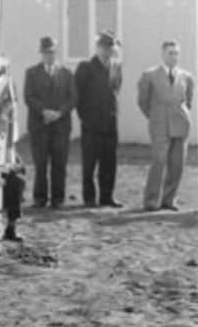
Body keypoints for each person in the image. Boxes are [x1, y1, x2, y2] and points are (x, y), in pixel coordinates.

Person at [137, 40, 194, 211]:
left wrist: (182, 113)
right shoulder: (150, 75)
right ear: (162, 54)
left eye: (176, 53)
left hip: (180, 124)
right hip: (159, 123)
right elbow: (143, 101)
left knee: (177, 164)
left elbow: (188, 100)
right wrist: (155, 116)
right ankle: (151, 200)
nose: (174, 57)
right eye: (170, 53)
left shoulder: (186, 76)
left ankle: (169, 199)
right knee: (159, 162)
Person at [23, 36, 76, 209]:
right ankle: (40, 197)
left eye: (52, 52)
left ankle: (58, 198)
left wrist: (59, 113)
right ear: (41, 54)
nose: (49, 56)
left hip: (60, 125)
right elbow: (28, 97)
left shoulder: (66, 73)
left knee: (59, 163)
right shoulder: (31, 73)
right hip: (40, 125)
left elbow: (73, 97)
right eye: (46, 52)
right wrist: (43, 111)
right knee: (40, 163)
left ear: (56, 52)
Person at [75, 31, 123, 208]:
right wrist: (85, 119)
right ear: (97, 47)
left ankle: (107, 197)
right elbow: (78, 96)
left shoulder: (116, 67)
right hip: (91, 124)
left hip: (110, 123)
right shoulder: (85, 67)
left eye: (110, 47)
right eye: (103, 47)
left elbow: (115, 91)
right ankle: (89, 198)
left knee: (109, 162)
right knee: (89, 163)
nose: (106, 50)